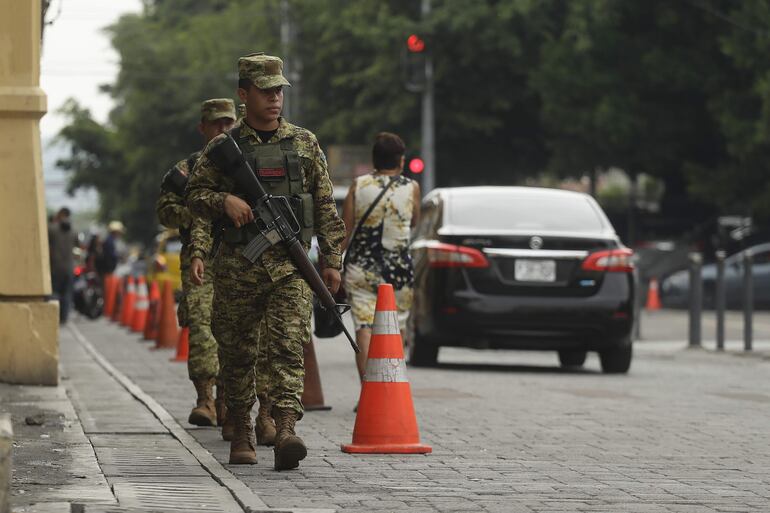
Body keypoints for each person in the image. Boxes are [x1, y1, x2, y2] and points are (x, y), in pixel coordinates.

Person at [186, 52, 345, 469]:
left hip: (291, 268)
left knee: (288, 347)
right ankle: (241, 429)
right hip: (239, 266)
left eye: (279, 91)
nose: (275, 99)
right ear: (244, 94)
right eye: (265, 91)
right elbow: (193, 198)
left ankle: (285, 425)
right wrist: (225, 200)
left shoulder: (304, 143)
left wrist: (331, 259)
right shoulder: (224, 149)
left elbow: (325, 204)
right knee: (237, 354)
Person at [156, 99, 237, 432]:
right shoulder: (186, 170)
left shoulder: (243, 165)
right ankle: (205, 398)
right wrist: (201, 210)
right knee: (202, 329)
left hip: (239, 257)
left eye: (228, 123)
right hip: (199, 260)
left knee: (238, 332)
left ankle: (230, 402)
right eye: (217, 124)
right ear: (203, 128)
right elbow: (165, 209)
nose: (223, 130)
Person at [342, 132, 421, 384]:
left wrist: (331, 262)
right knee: (394, 328)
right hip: (398, 269)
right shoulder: (411, 188)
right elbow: (414, 221)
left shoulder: (359, 185)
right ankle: (389, 390)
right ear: (401, 161)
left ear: (374, 160)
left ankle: (368, 391)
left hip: (361, 268)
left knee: (364, 327)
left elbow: (346, 228)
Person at [48, 207, 79, 324]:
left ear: (60, 215)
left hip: (55, 266)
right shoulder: (74, 231)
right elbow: (78, 245)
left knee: (55, 292)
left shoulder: (52, 229)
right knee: (67, 293)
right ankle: (64, 318)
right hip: (69, 267)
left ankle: (54, 316)